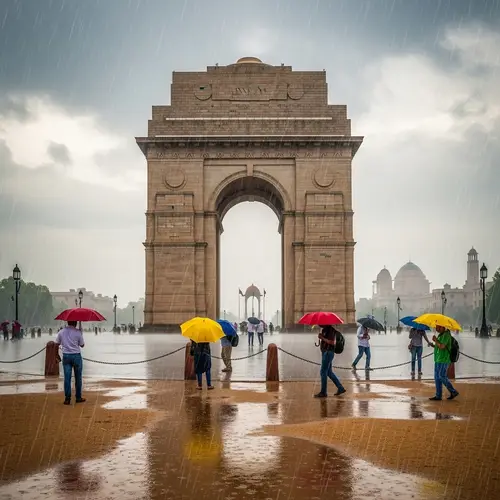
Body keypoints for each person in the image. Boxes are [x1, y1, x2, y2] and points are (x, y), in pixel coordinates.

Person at [55, 321, 86, 405]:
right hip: (76, 356)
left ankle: (67, 398)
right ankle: (78, 397)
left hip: (66, 356)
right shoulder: (78, 332)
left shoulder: (61, 332)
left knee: (67, 378)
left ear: (68, 322)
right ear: (75, 323)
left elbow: (56, 344)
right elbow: (82, 345)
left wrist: (56, 355)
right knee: (78, 378)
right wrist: (80, 334)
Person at [314, 325, 346, 398]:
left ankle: (323, 392)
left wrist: (322, 338)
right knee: (329, 372)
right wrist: (322, 337)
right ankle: (340, 388)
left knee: (323, 372)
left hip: (328, 353)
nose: (319, 324)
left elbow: (332, 342)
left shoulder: (331, 331)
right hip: (326, 352)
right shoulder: (325, 330)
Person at [429, 325, 459, 401]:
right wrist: (433, 344)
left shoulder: (446, 335)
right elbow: (439, 346)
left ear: (443, 327)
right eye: (436, 327)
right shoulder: (440, 335)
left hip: (444, 359)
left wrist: (436, 340)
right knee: (437, 378)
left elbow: (442, 346)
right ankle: (438, 395)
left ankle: (453, 391)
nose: (437, 329)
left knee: (442, 376)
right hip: (438, 359)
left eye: (438, 327)